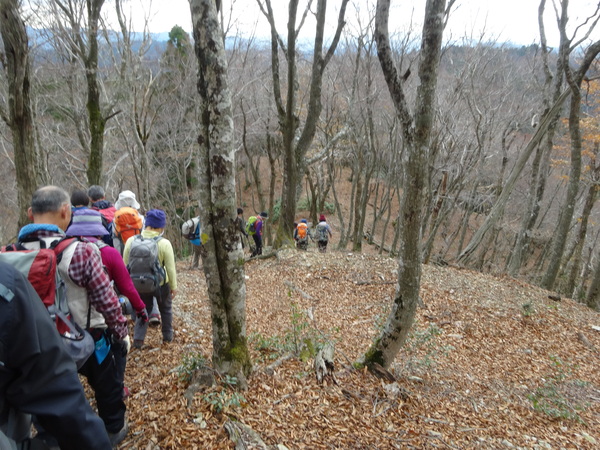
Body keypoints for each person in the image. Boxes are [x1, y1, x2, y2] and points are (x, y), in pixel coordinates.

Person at [17, 185, 130, 447]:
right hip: (88, 337)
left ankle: (54, 438)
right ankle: (113, 430)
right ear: (66, 211)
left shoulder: (12, 254)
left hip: (36, 344)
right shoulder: (81, 251)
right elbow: (106, 300)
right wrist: (121, 331)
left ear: (30, 213)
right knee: (107, 387)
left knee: (49, 397)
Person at [0, 261, 113, 450]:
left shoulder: (17, 259)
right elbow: (58, 391)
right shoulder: (7, 281)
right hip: (87, 332)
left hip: (65, 331)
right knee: (106, 381)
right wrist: (121, 328)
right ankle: (114, 425)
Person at [66, 208, 149, 399]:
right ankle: (117, 387)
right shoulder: (109, 253)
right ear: (99, 230)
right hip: (100, 317)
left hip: (67, 319)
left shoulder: (62, 251)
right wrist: (141, 309)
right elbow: (127, 287)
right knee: (118, 347)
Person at [123, 209, 177, 349]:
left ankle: (139, 341)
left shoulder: (131, 241)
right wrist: (173, 287)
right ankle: (167, 337)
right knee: (165, 309)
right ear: (160, 227)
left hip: (139, 285)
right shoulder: (164, 243)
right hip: (160, 284)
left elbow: (125, 265)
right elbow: (170, 269)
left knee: (142, 311)